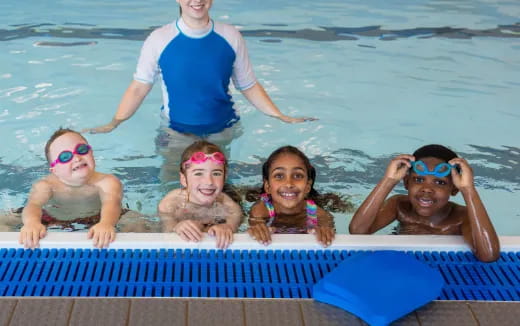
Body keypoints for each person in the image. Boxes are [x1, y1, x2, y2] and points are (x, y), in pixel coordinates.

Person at [82, 0, 315, 183]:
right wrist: (115, 122)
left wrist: (280, 116)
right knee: (171, 184)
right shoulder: (159, 39)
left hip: (222, 131)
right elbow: (138, 87)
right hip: (176, 132)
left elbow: (248, 84)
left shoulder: (230, 36)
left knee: (219, 186)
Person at [349, 144, 500, 262]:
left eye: (440, 182)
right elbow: (358, 231)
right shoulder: (399, 205)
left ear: (454, 189)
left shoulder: (462, 217)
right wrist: (388, 181)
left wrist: (468, 190)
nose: (427, 189)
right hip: (400, 263)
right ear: (407, 183)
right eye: (419, 180)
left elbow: (488, 255)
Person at [14, 128, 141, 249]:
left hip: (98, 218)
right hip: (51, 219)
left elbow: (112, 203)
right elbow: (33, 205)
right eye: (65, 157)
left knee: (139, 223)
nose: (77, 158)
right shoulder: (46, 185)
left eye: (81, 149)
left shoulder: (107, 181)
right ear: (55, 170)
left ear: (91, 153)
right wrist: (31, 223)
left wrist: (106, 224)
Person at [158, 140, 242, 249]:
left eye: (216, 173)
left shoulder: (230, 208)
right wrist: (177, 227)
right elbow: (167, 235)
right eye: (198, 173)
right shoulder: (170, 203)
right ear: (184, 179)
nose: (209, 181)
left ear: (225, 178)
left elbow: (233, 229)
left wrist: (226, 227)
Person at [247, 145, 336, 247]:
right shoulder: (261, 210)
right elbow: (256, 232)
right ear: (268, 187)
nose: (289, 184)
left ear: (307, 186)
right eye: (279, 176)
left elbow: (328, 236)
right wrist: (258, 229)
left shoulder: (319, 214)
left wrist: (325, 232)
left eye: (297, 176)